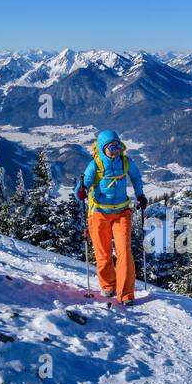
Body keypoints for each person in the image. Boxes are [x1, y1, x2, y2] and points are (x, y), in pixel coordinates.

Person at [76, 129, 146, 304]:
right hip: (99, 213)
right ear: (102, 148)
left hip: (122, 213)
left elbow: (136, 177)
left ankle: (126, 294)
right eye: (111, 147)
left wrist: (140, 195)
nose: (115, 150)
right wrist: (81, 190)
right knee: (103, 253)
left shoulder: (125, 162)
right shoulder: (96, 165)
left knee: (124, 252)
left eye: (117, 146)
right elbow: (82, 184)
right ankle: (108, 285)